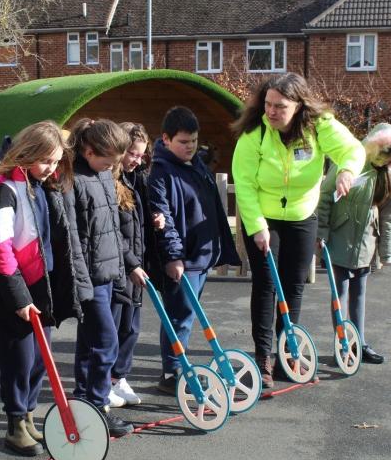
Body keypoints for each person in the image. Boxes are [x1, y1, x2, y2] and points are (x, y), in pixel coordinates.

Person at [0, 121, 93, 456]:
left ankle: (30, 416)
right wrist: (19, 298)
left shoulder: (40, 187)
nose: (51, 168)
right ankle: (15, 422)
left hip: (39, 284)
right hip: (10, 288)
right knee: (18, 359)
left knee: (40, 358)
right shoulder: (2, 191)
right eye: (45, 161)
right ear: (25, 154)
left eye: (55, 162)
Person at [232, 73, 365, 388]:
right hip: (263, 217)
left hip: (302, 216)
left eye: (280, 106)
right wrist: (257, 227)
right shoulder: (255, 133)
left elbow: (353, 150)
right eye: (268, 104)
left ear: (299, 106)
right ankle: (263, 358)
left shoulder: (319, 126)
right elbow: (246, 185)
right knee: (266, 285)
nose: (272, 112)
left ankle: (287, 353)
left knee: (294, 285)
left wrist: (346, 170)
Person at [149, 106, 240, 394]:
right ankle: (172, 372)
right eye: (183, 142)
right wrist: (174, 256)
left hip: (201, 256)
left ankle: (179, 366)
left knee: (188, 315)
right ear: (166, 139)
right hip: (182, 259)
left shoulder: (196, 165)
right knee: (179, 316)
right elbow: (165, 217)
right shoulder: (161, 172)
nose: (190, 147)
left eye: (194, 141)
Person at [69, 118, 136, 437]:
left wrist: (130, 264)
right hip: (90, 278)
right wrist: (81, 283)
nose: (111, 168)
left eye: (114, 164)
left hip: (108, 273)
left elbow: (111, 229)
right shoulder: (77, 181)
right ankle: (97, 404)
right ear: (88, 150)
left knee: (90, 343)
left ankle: (83, 399)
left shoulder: (102, 176)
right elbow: (76, 240)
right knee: (107, 342)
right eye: (107, 161)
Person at [317, 122, 391, 364]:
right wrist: (322, 234)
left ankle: (359, 343)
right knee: (340, 292)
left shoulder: (386, 174)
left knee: (359, 292)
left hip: (366, 238)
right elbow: (326, 197)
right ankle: (343, 343)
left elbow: (388, 213)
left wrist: (386, 251)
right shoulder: (348, 161)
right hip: (340, 236)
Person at [110, 122, 162, 406]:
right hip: (119, 268)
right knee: (114, 327)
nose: (137, 160)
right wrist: (130, 263)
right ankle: (106, 380)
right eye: (132, 153)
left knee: (131, 327)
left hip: (136, 267)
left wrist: (156, 218)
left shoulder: (136, 179)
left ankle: (120, 377)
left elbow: (137, 225)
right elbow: (111, 232)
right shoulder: (110, 183)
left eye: (141, 155)